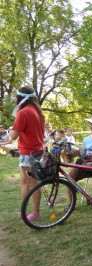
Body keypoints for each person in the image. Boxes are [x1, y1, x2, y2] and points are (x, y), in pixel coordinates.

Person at [9, 86, 45, 221]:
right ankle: (23, 210)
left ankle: (35, 213)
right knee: (24, 181)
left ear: (19, 98)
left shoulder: (23, 112)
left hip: (28, 152)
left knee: (32, 183)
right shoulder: (37, 111)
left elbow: (13, 135)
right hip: (35, 150)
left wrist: (11, 131)